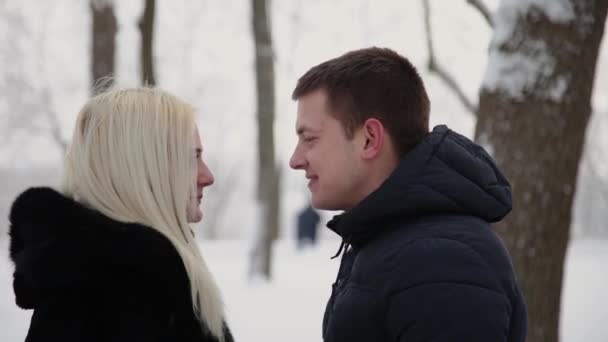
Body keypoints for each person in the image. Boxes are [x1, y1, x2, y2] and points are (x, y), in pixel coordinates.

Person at [289, 47, 527, 342]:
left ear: (369, 139)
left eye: (309, 139)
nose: (295, 160)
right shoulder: (393, 244)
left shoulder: (442, 263)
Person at [8, 87, 234, 342]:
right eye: (193, 158)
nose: (208, 176)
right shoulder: (129, 290)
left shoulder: (105, 275)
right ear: (144, 167)